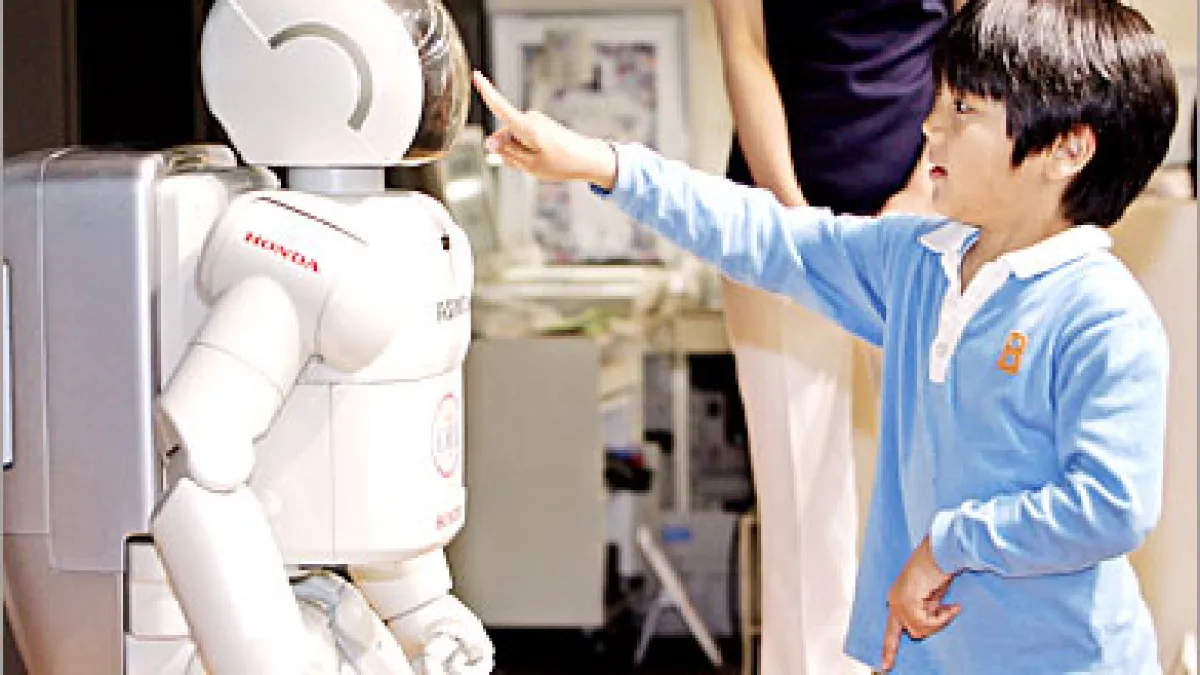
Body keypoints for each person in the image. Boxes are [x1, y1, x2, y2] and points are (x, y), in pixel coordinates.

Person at [472, 0, 1179, 670]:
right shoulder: (917, 266)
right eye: (937, 100)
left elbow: (1109, 505)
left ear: (1067, 149)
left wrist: (948, 545)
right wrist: (601, 163)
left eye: (963, 109)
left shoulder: (1102, 314)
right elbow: (765, 235)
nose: (930, 126)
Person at [711, 1, 947, 671]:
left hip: (924, 224)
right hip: (778, 227)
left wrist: (924, 188)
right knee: (803, 507)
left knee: (939, 491)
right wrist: (793, 218)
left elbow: (973, 48)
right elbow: (744, 50)